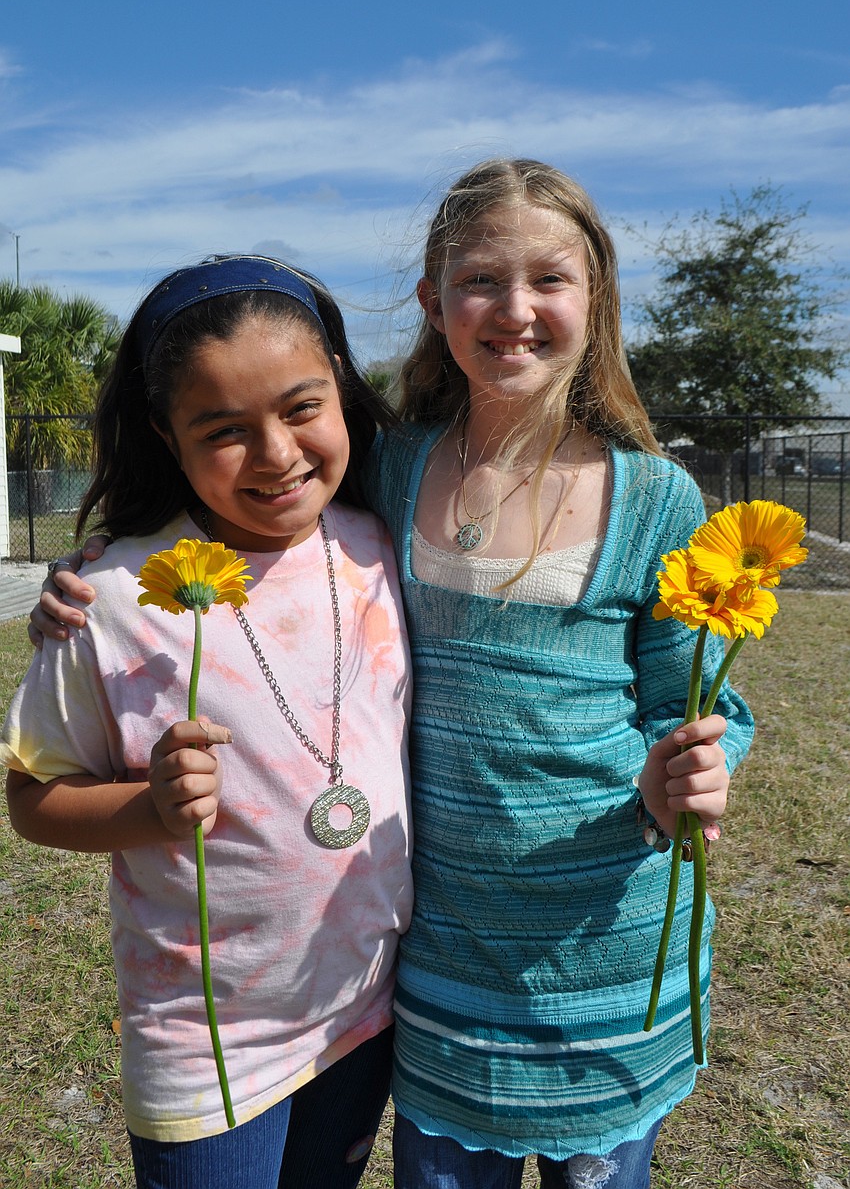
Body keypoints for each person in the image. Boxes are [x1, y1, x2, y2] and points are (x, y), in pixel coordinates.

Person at [32, 159, 754, 1189]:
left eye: (549, 278)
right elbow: (256, 503)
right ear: (432, 302)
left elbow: (703, 706)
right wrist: (97, 568)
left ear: (595, 296)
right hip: (440, 958)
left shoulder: (657, 499)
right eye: (479, 281)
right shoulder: (394, 468)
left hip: (605, 942)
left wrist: (692, 768)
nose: (513, 310)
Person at [4, 255, 413, 1189]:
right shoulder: (109, 599)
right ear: (166, 433)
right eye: (224, 429)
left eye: (302, 407)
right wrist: (147, 808)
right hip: (203, 1040)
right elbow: (31, 797)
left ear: (343, 387)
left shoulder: (382, 542)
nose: (275, 454)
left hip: (364, 1008)